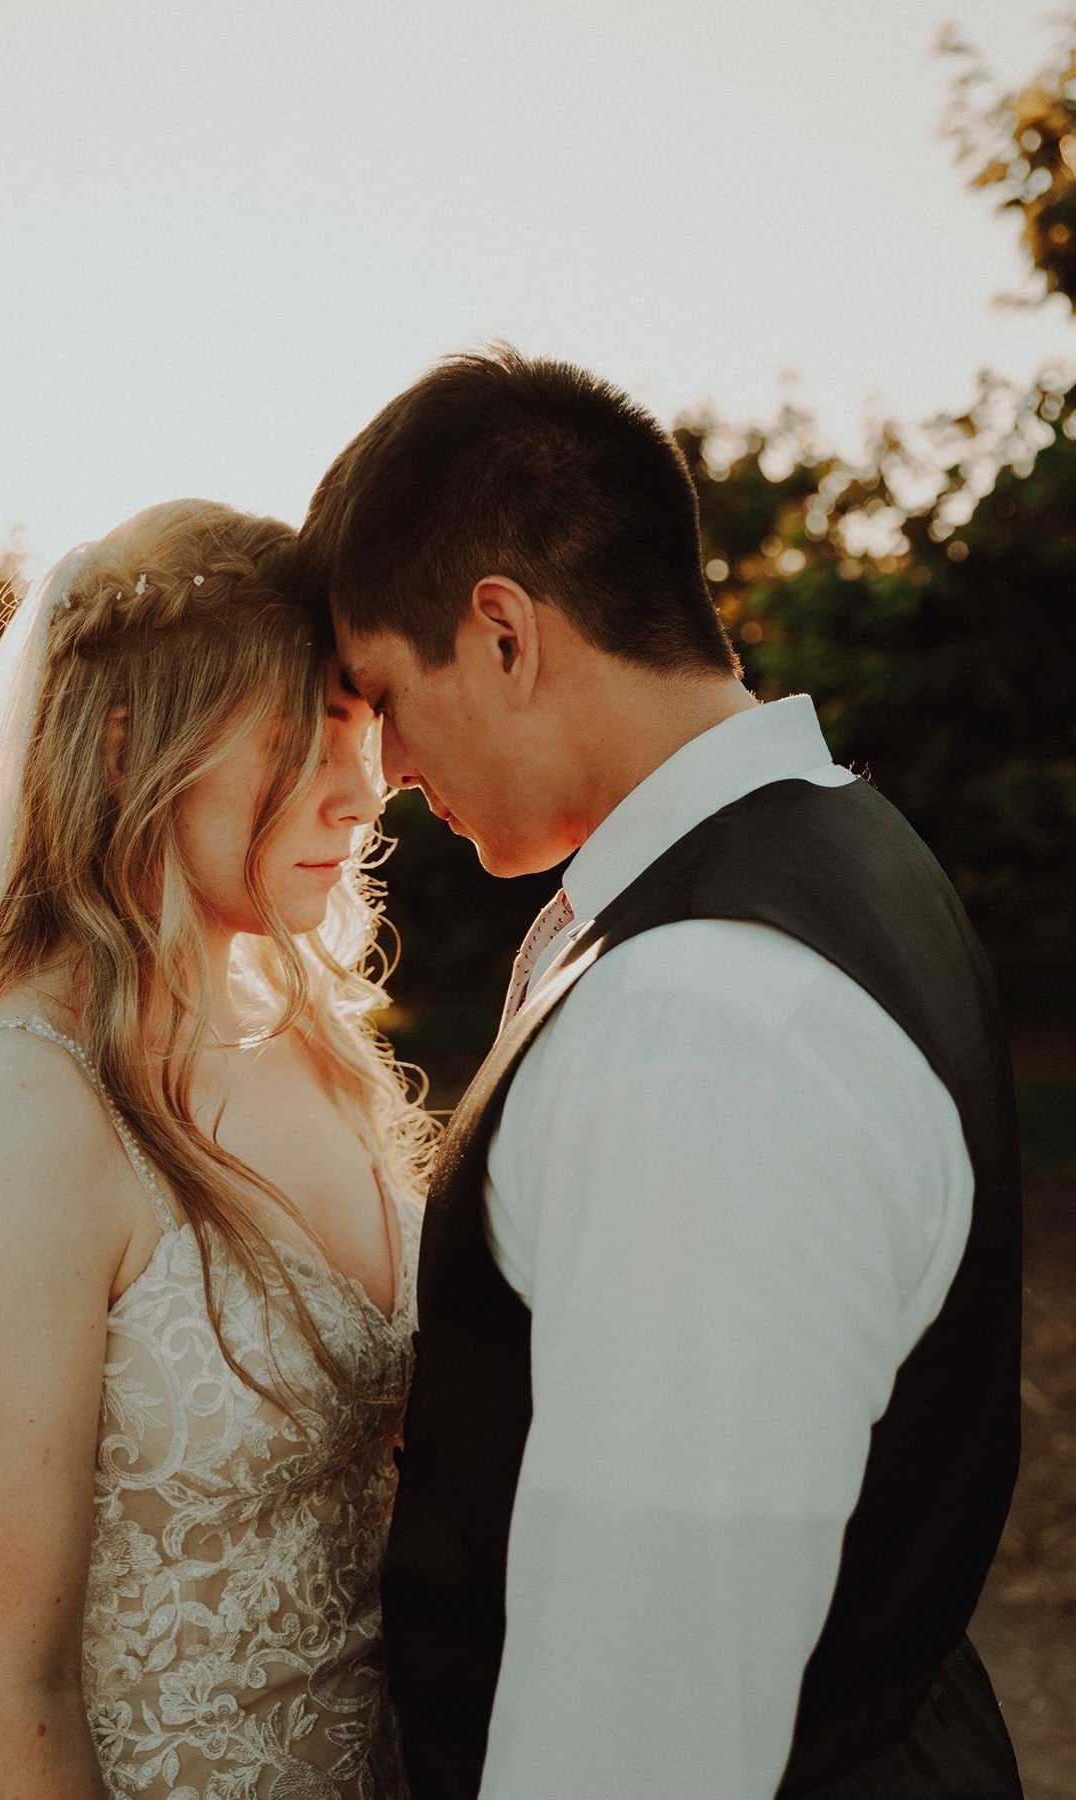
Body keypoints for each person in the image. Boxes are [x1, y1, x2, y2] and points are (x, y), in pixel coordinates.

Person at [298, 349, 1024, 1799]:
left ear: (502, 634)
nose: (374, 767)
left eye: (381, 690)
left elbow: (641, 1727)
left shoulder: (701, 1031)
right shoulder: (831, 855)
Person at [0, 499, 433, 1799]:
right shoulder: (21, 1124)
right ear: (133, 744)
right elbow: (8, 1698)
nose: (362, 792)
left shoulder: (322, 1050)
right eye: (302, 736)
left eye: (363, 731)